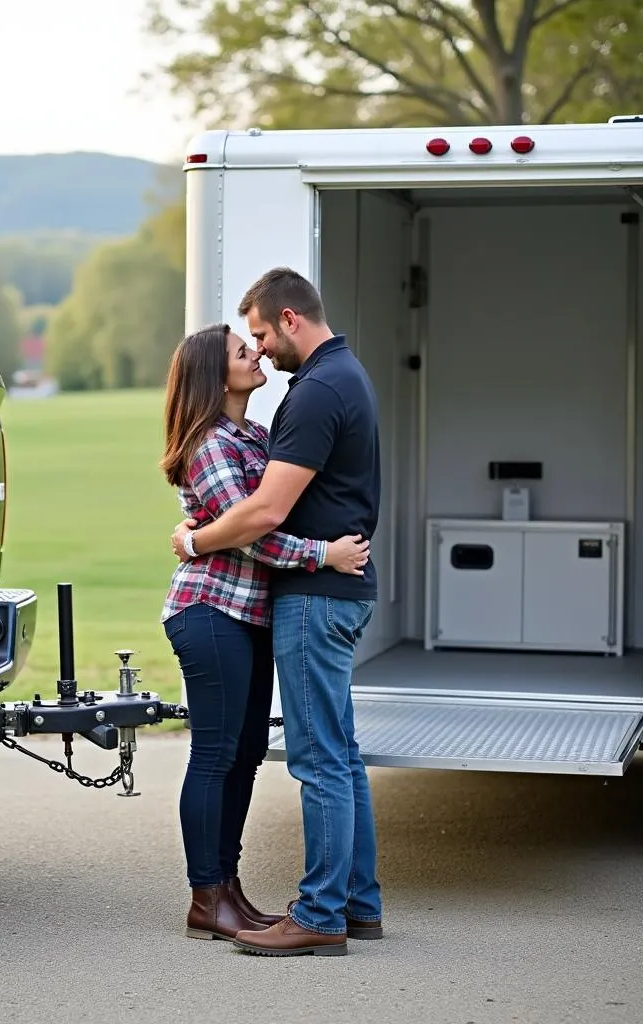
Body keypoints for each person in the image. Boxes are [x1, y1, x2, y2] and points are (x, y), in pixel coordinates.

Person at [171, 267, 383, 958]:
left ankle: (324, 908)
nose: (257, 350)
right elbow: (260, 523)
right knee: (250, 754)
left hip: (292, 605)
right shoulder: (222, 440)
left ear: (290, 319)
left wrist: (200, 539)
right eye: (243, 347)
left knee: (302, 755)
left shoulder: (303, 400)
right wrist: (318, 554)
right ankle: (219, 895)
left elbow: (262, 514)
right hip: (220, 610)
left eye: (257, 335)